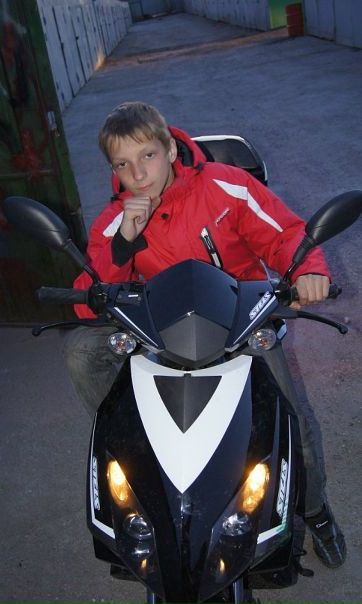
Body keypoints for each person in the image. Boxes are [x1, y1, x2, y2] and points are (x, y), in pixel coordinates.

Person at [64, 101, 346, 569]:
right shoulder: (117, 218)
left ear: (171, 150)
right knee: (79, 351)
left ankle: (314, 510)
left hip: (241, 323)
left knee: (290, 424)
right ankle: (133, 445)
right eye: (122, 164)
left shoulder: (225, 186)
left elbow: (284, 234)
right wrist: (123, 244)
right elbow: (85, 296)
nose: (138, 173)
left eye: (148, 155)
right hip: (161, 332)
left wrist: (307, 271)